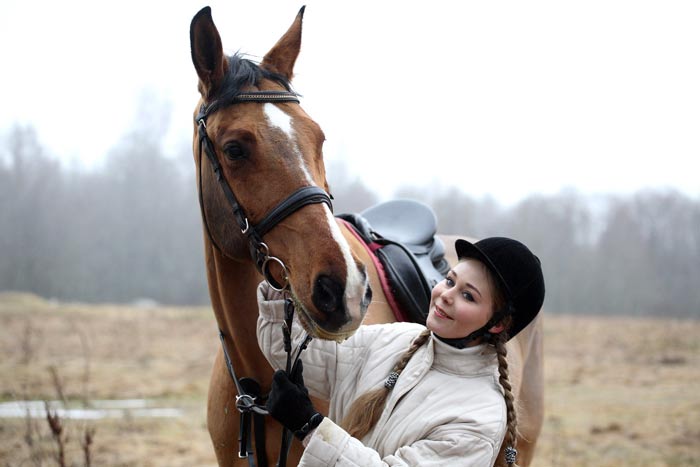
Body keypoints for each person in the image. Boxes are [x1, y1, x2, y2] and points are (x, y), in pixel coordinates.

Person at [257, 237, 545, 466]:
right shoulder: (397, 337)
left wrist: (310, 426)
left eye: (468, 295)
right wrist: (279, 284)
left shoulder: (479, 420)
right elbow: (310, 357)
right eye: (450, 280)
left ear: (498, 324)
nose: (446, 295)